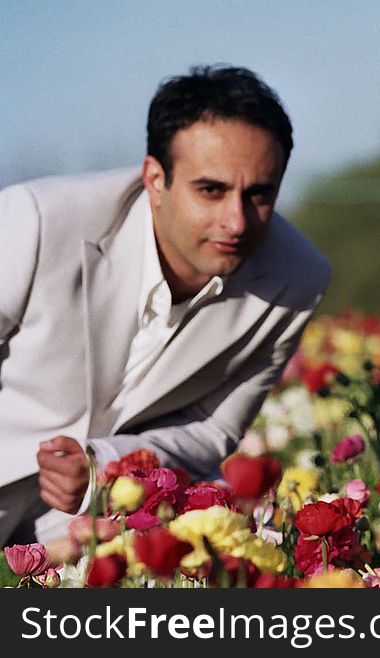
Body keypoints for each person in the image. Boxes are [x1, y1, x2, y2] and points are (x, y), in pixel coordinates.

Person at [0, 66, 331, 546]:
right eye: (211, 190)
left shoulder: (298, 278)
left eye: (260, 194)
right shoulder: (34, 222)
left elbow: (211, 431)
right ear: (155, 179)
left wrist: (102, 465)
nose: (236, 221)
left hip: (98, 521)